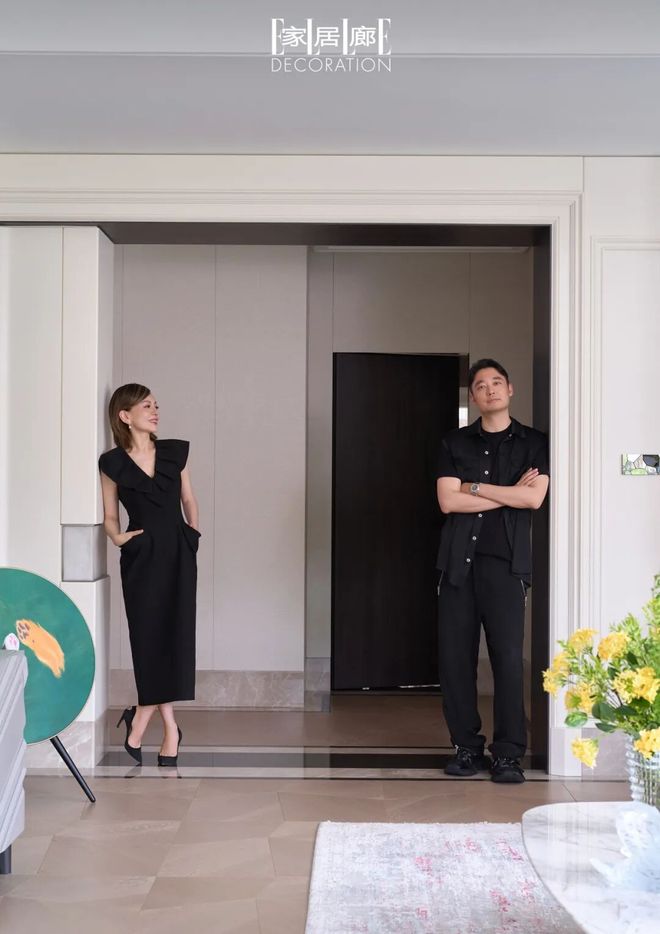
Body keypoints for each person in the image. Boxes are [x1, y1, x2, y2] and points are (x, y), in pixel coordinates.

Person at [435, 359, 549, 783]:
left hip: (507, 567)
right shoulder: (454, 442)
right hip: (457, 568)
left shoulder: (534, 442)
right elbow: (448, 501)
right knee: (455, 661)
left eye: (497, 382)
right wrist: (509, 492)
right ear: (473, 396)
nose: (490, 390)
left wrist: (475, 488)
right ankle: (466, 748)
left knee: (508, 662)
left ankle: (507, 755)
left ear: (510, 389)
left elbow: (533, 499)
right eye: (481, 385)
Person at [98, 383, 200, 767]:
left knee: (174, 635)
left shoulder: (174, 452)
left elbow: (188, 497)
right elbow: (110, 515)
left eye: (156, 405)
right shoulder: (112, 463)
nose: (155, 411)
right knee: (148, 638)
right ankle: (167, 726)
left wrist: (192, 534)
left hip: (178, 552)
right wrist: (118, 538)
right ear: (125, 416)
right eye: (146, 406)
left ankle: (144, 717)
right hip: (141, 556)